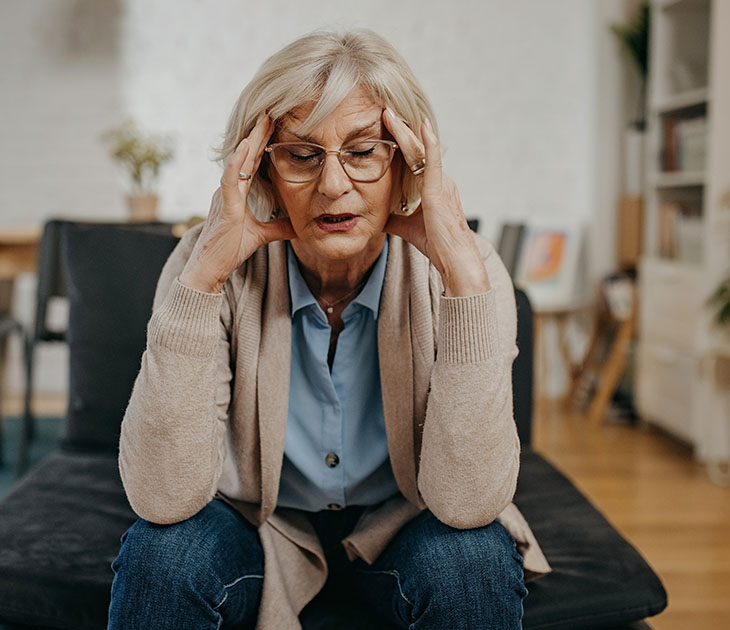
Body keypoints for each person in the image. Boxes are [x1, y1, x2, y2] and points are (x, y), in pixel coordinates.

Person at [108, 29, 549, 630]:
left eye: (364, 151)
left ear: (409, 164)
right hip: (261, 527)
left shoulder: (470, 270)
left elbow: (467, 505)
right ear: (260, 168)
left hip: (403, 519)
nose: (333, 186)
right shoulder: (204, 263)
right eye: (302, 154)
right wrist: (202, 281)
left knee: (471, 560)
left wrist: (467, 287)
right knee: (161, 555)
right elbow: (162, 499)